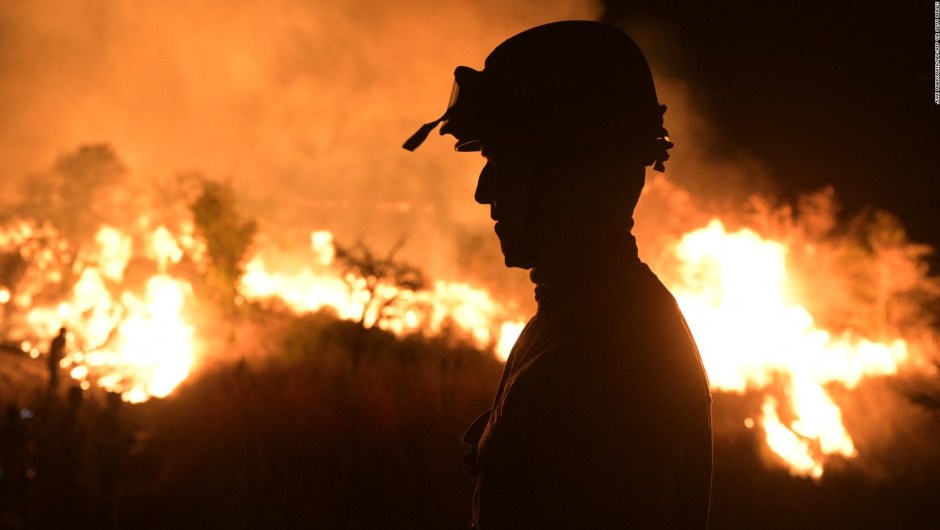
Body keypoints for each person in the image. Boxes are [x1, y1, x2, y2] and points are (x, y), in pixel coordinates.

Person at [405, 21, 712, 528]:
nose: (484, 191)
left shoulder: (603, 361)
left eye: (508, 160)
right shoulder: (574, 321)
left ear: (583, 176)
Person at [47, 327, 67, 395]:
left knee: (54, 374)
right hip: (54, 359)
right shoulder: (61, 340)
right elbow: (59, 350)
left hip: (54, 359)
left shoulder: (56, 339)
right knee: (54, 374)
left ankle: (52, 389)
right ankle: (53, 390)